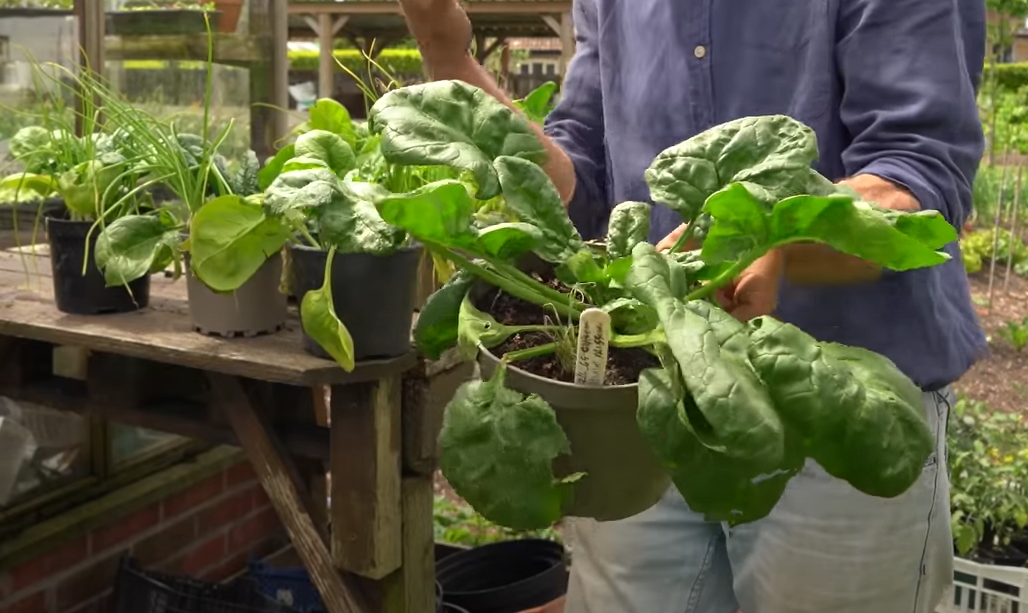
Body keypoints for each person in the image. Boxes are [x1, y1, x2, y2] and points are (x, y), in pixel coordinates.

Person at [397, 0, 988, 612]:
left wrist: (771, 239)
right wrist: (449, 52)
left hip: (833, 410)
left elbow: (919, 174)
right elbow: (582, 187)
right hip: (649, 408)